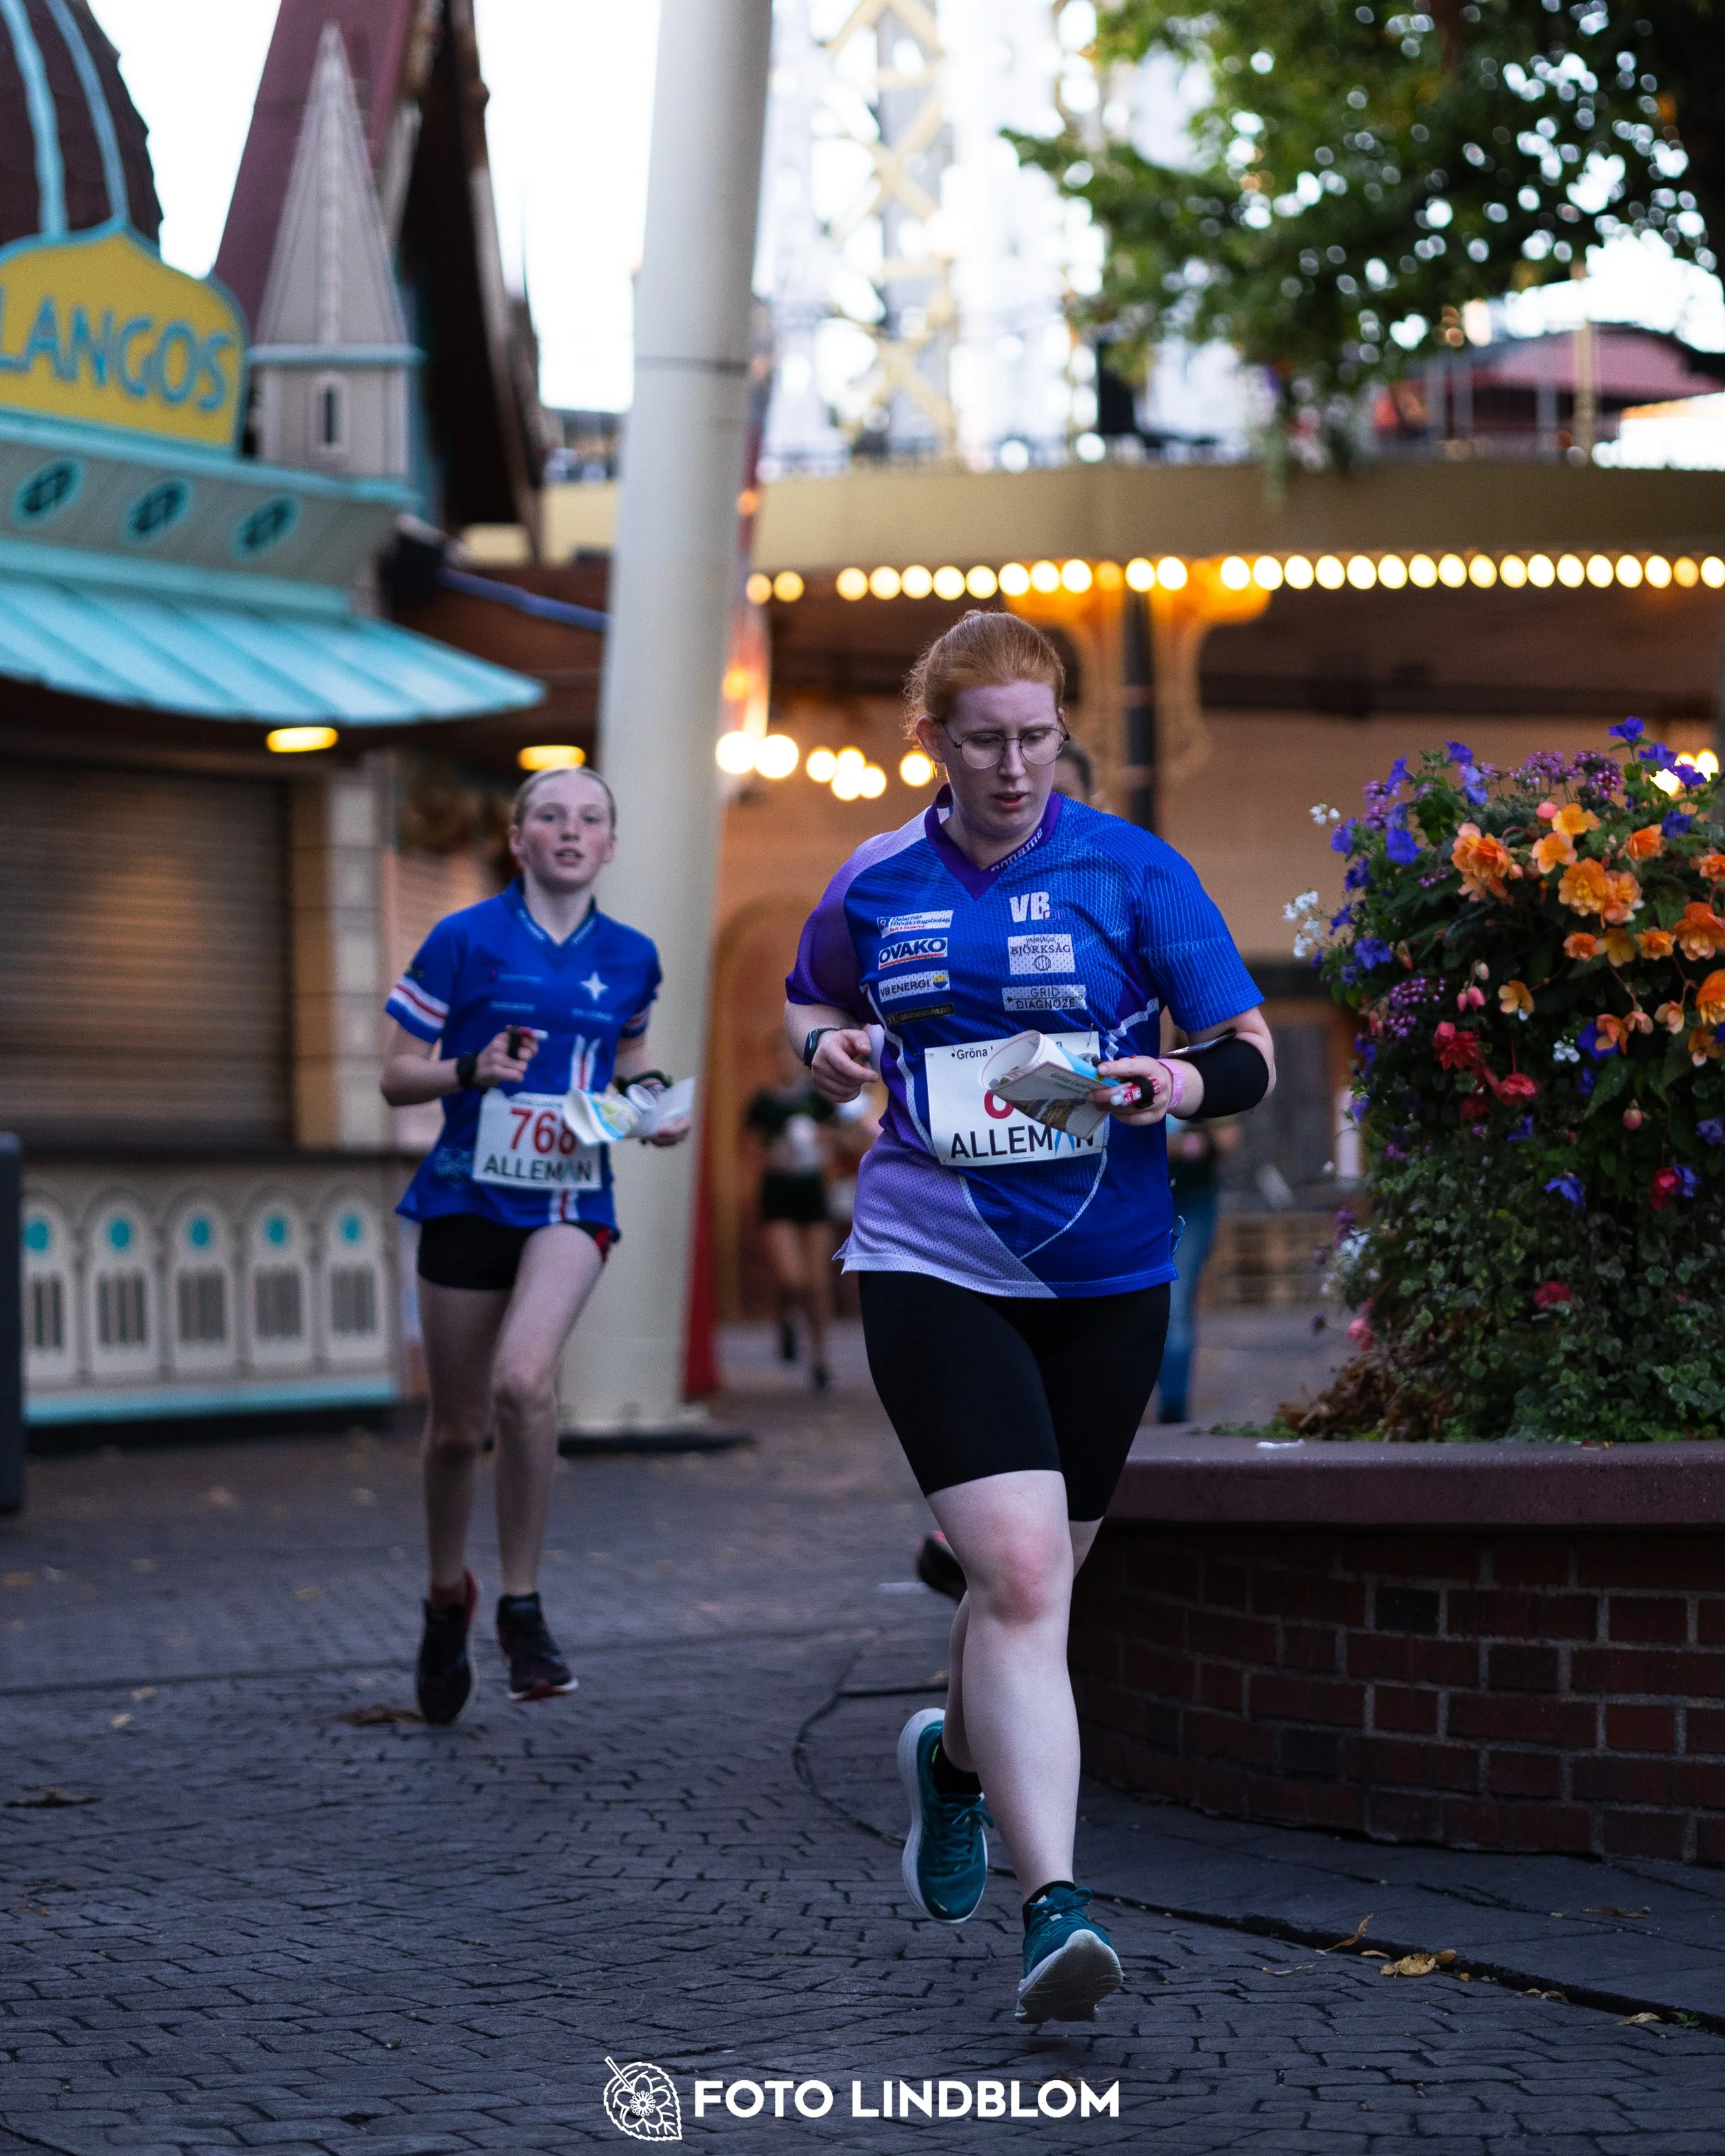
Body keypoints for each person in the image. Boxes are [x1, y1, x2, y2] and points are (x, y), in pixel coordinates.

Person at [785, 610, 1274, 2025]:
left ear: (1063, 728)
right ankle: (1052, 1901)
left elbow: (1236, 1044)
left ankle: (949, 1763)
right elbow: (804, 1000)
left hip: (1105, 1272)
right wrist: (826, 1054)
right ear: (930, 739)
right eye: (982, 737)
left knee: (1034, 1583)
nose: (1012, 764)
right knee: (1011, 1567)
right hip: (928, 1254)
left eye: (1034, 733)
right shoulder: (875, 874)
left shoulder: (1132, 869)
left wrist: (1181, 1088)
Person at [380, 765, 689, 1725]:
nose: (569, 830)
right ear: (518, 840)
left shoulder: (633, 955)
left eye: (590, 818)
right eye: (550, 816)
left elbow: (631, 1056)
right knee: (454, 1427)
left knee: (525, 1381)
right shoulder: (462, 939)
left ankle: (521, 1606)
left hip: (570, 1197)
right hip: (466, 1195)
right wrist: (473, 1067)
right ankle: (445, 1597)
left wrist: (656, 1106)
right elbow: (394, 1078)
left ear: (609, 844)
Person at [745, 1031, 843, 1389]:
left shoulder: (820, 1100)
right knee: (792, 1278)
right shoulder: (764, 1103)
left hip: (813, 1194)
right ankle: (785, 1320)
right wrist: (770, 1155)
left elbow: (850, 1138)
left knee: (818, 1282)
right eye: (781, 1057)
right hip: (777, 1196)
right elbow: (749, 1149)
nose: (788, 1064)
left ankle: (820, 1358)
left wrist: (827, 1139)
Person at [1156, 1111, 1239, 1423]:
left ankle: (1172, 1408)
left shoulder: (1199, 1066)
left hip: (1191, 1200)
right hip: (1136, 1197)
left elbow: (1228, 1138)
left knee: (1175, 1302)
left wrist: (1175, 1146)